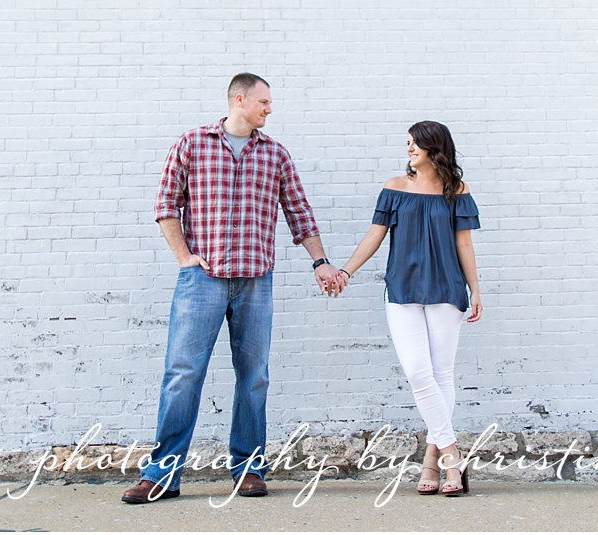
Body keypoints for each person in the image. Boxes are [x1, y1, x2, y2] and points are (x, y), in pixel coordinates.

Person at [123, 73, 345, 505]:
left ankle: (249, 470)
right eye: (263, 101)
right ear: (239, 100)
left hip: (255, 281)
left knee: (254, 377)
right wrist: (185, 258)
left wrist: (320, 262)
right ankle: (162, 475)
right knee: (182, 375)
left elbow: (299, 211)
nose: (269, 109)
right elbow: (166, 204)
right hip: (202, 281)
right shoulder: (192, 144)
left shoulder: (276, 154)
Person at [335, 121, 482, 497]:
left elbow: (463, 245)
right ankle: (453, 456)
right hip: (401, 289)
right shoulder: (394, 188)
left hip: (447, 288)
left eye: (415, 143)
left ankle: (432, 461)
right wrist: (347, 271)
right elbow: (374, 235)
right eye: (408, 143)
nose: (409, 149)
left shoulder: (456, 191)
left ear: (435, 148)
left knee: (441, 374)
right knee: (419, 373)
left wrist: (476, 289)